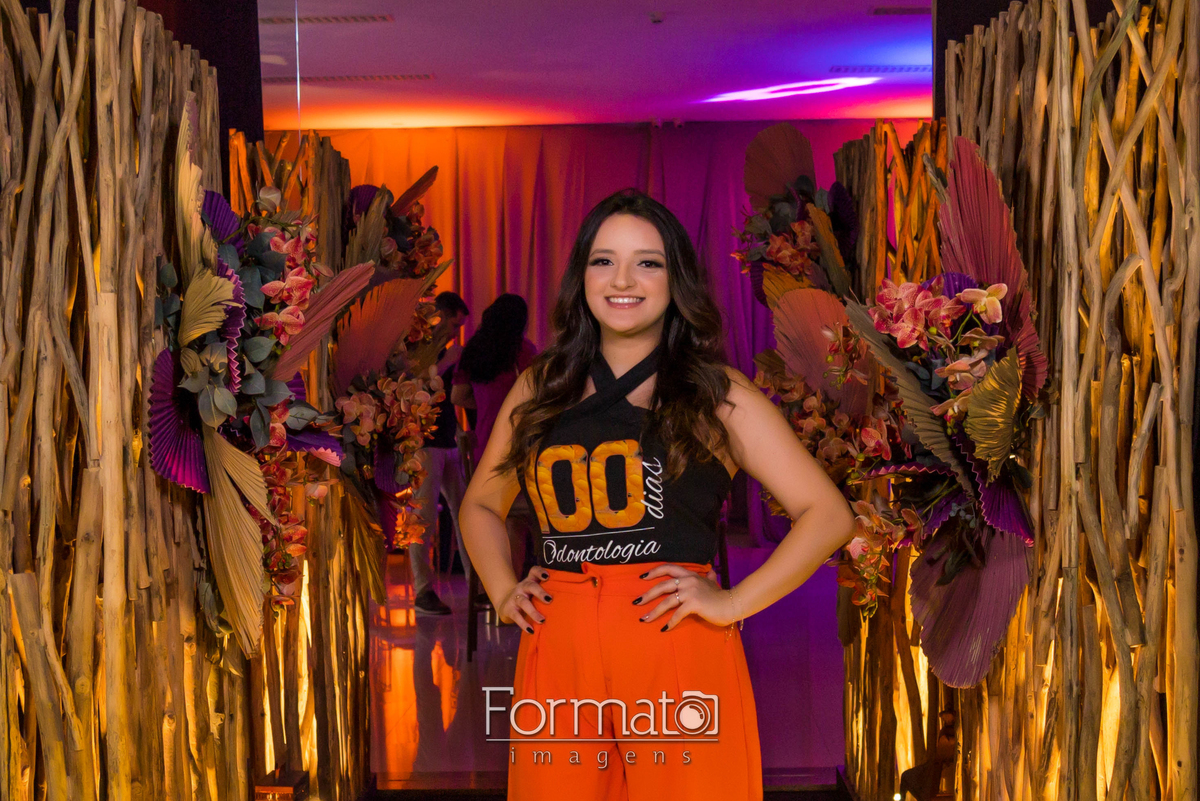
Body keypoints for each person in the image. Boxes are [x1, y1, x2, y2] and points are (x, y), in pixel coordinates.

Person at [458, 189, 854, 801]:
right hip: (560, 644)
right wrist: (504, 591)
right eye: (603, 260)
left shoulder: (718, 393)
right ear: (581, 276)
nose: (623, 280)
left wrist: (733, 602)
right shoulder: (542, 387)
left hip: (674, 638)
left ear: (677, 280)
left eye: (648, 262)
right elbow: (482, 503)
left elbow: (827, 515)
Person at [452, 294, 539, 580]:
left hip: (484, 455)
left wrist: (486, 405)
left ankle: (500, 588)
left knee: (507, 519)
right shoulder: (523, 351)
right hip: (518, 453)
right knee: (532, 517)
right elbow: (538, 397)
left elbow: (457, 396)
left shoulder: (474, 350)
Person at [409, 291, 471, 616]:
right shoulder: (419, 347)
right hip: (424, 443)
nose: (455, 332)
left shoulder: (445, 351)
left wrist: (458, 430)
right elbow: (415, 389)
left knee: (466, 514)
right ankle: (423, 591)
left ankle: (478, 586)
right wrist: (447, 363)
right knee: (423, 519)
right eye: (454, 324)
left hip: (447, 439)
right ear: (441, 316)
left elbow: (446, 399)